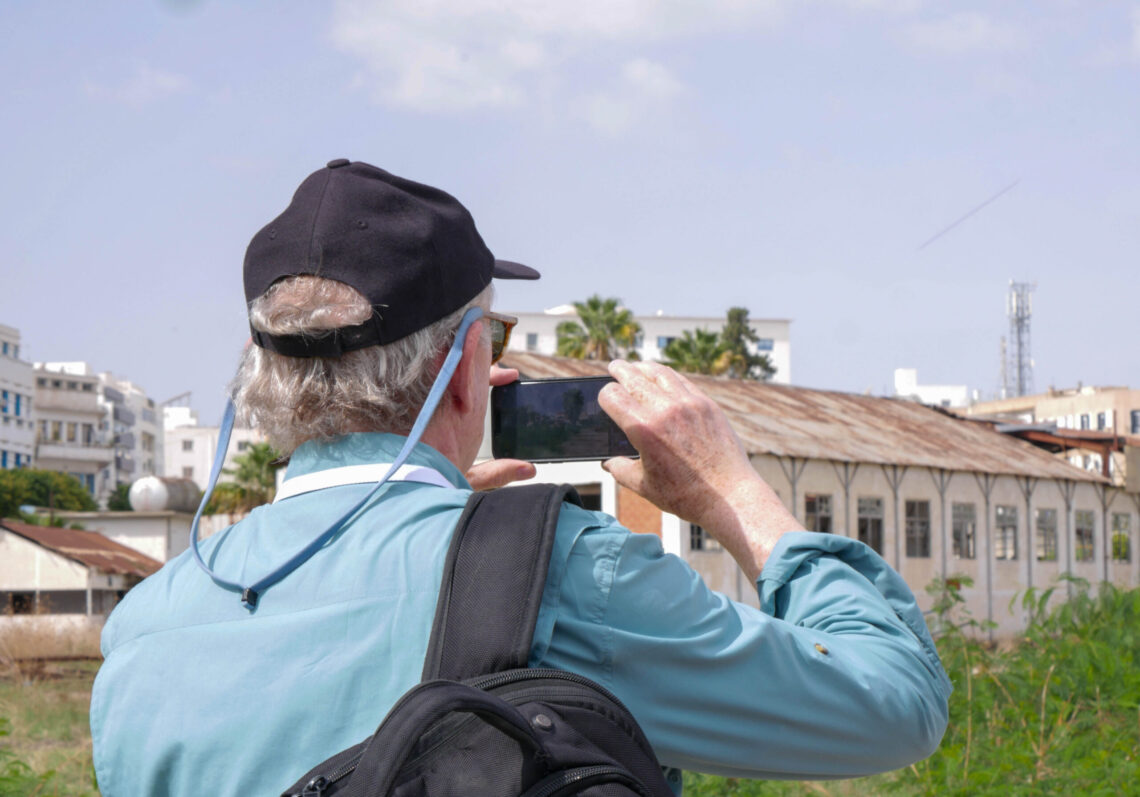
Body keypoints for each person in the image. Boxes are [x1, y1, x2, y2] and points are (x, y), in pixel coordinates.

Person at [90, 160, 951, 797]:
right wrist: (732, 493)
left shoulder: (142, 629)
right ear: (470, 366)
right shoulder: (565, 574)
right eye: (492, 337)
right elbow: (893, 703)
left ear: (259, 367)